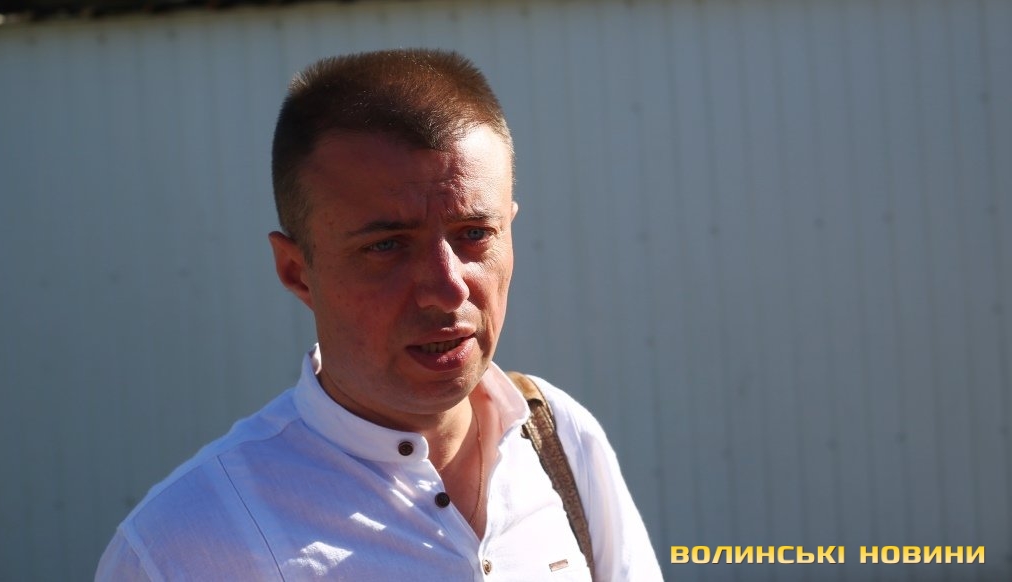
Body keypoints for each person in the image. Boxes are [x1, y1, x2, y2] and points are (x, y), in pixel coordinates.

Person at [96, 49, 663, 581]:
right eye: (387, 246)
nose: (446, 289)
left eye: (474, 234)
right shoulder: (183, 547)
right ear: (297, 271)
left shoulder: (556, 438)